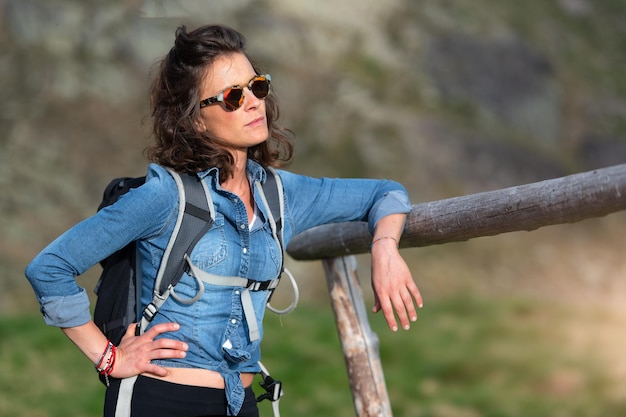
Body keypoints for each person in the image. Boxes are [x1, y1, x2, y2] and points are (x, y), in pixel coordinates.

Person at [25, 24, 423, 417]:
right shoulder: (165, 195)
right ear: (196, 119)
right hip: (159, 399)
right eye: (233, 96)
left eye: (258, 87)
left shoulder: (281, 192)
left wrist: (384, 248)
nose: (253, 102)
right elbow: (50, 268)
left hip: (242, 402)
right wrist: (109, 359)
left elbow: (385, 193)